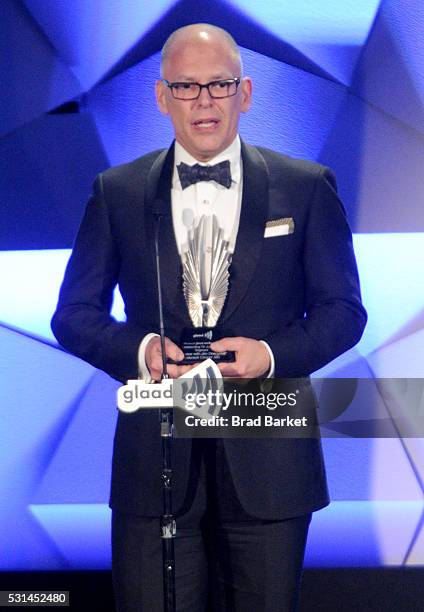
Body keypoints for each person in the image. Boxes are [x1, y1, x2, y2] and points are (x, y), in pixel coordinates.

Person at [52, 23, 367, 612]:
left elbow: (343, 312)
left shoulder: (305, 188)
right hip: (156, 462)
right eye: (187, 87)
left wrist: (271, 355)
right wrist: (142, 349)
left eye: (218, 85)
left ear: (245, 93)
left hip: (270, 455)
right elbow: (73, 314)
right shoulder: (116, 192)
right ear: (161, 95)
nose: (204, 102)